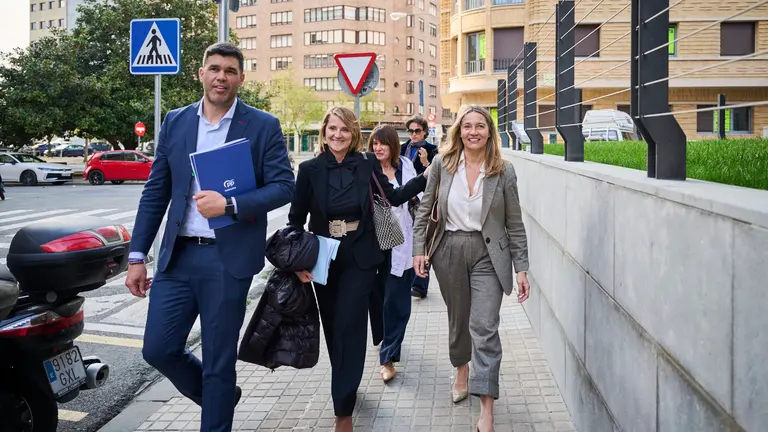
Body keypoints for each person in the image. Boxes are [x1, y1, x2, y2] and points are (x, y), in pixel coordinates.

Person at [125, 43, 295, 432]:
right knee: (158, 348)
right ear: (201, 74)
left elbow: (284, 186)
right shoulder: (176, 121)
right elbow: (155, 192)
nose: (221, 77)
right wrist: (136, 256)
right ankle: (220, 397)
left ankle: (217, 410)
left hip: (227, 260)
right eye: (214, 69)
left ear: (241, 79)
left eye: (230, 71)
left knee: (219, 361)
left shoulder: (262, 125)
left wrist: (230, 204)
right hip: (178, 257)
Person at [288, 106, 427, 432]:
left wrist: (426, 177)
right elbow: (295, 220)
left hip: (361, 258)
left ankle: (343, 410)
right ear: (324, 132)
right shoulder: (309, 170)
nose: (338, 135)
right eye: (332, 129)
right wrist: (297, 264)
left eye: (344, 130)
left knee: (350, 326)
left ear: (353, 134)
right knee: (333, 329)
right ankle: (346, 384)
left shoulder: (366, 164)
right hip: (324, 259)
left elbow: (393, 197)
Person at [412, 105, 530, 432]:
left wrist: (521, 267)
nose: (473, 132)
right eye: (467, 126)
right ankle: (461, 368)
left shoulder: (503, 171)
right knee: (459, 319)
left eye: (480, 126)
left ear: (490, 132)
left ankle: (486, 409)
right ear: (459, 131)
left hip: (489, 254)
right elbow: (425, 208)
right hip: (448, 249)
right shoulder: (442, 164)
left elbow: (515, 223)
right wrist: (419, 249)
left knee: (485, 326)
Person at [367, 125, 421, 383]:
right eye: (374, 143)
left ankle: (388, 357)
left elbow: (418, 198)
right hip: (374, 244)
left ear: (393, 146)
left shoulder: (406, 167)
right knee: (378, 297)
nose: (378, 148)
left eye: (383, 143)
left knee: (397, 301)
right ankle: (384, 338)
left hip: (402, 242)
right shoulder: (367, 169)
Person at [400, 115, 437, 299]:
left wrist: (425, 164)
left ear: (425, 132)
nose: (413, 134)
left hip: (423, 201)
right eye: (410, 131)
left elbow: (437, 177)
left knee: (421, 240)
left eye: (417, 131)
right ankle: (408, 279)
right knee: (406, 240)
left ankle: (420, 285)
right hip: (403, 200)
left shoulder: (432, 150)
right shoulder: (402, 149)